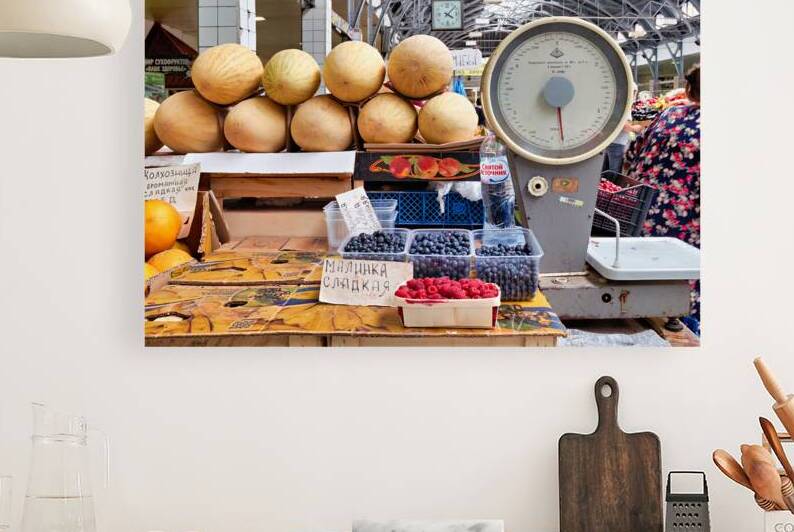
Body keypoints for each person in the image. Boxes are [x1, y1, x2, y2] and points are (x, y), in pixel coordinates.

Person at [624, 64, 701, 328]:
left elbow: (631, 154)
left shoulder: (669, 114)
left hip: (644, 218)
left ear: (689, 88)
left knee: (646, 294)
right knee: (683, 303)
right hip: (687, 233)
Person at [602, 84, 643, 175]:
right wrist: (635, 128)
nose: (634, 95)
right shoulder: (624, 105)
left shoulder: (616, 103)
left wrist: (632, 136)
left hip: (611, 142)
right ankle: (612, 188)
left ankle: (604, 187)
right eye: (633, 92)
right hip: (618, 144)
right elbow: (624, 126)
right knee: (615, 172)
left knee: (607, 171)